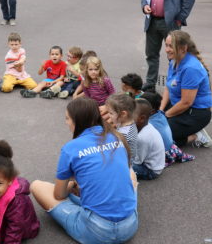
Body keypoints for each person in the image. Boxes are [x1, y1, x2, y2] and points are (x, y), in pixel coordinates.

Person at [30, 98, 138, 244]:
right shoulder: (117, 137)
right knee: (130, 173)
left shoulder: (70, 148)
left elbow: (59, 194)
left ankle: (84, 212)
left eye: (67, 118)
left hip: (98, 232)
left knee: (37, 186)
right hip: (130, 225)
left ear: (77, 121)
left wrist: (72, 186)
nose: (66, 122)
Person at [141, 0, 195, 91]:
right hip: (152, 21)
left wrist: (179, 18)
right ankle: (150, 84)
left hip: (171, 22)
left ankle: (176, 84)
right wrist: (145, 6)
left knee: (175, 55)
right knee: (151, 55)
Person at [160, 30, 212, 147]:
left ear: (183, 48)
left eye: (171, 46)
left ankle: (196, 136)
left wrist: (164, 116)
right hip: (178, 106)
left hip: (195, 113)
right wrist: (161, 110)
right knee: (149, 114)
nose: (167, 50)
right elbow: (168, 87)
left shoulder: (190, 68)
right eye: (166, 45)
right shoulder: (174, 60)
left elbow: (186, 103)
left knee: (161, 137)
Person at [141, 92, 195, 166]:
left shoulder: (149, 123)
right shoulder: (160, 113)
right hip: (172, 149)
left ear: (151, 110)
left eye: (140, 106)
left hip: (163, 155)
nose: (136, 107)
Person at [133, 99, 165, 180]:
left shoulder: (142, 137)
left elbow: (137, 162)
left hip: (151, 170)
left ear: (142, 118)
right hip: (152, 162)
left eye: (130, 116)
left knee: (121, 166)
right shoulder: (146, 125)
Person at [106, 93, 138, 163]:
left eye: (111, 113)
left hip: (125, 162)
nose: (109, 115)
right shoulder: (129, 122)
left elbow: (113, 151)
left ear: (123, 114)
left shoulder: (123, 134)